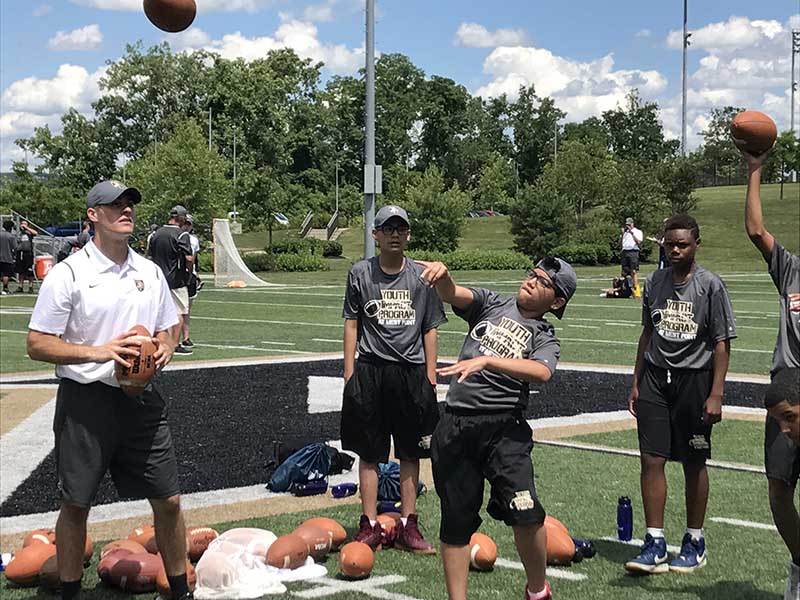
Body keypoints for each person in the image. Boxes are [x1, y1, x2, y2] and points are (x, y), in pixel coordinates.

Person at [25, 180, 191, 600]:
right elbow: (37, 342)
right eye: (113, 205)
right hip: (87, 401)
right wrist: (102, 352)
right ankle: (69, 593)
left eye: (129, 203)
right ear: (93, 215)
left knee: (169, 500)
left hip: (141, 399)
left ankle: (179, 590)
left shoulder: (149, 271)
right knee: (76, 503)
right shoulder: (70, 273)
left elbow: (168, 326)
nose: (125, 210)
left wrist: (166, 346)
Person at [418, 255, 576, 600]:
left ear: (557, 300)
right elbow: (452, 293)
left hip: (504, 429)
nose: (532, 281)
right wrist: (444, 275)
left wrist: (489, 360)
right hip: (456, 424)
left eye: (544, 282)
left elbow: (543, 372)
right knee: (456, 521)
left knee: (527, 512)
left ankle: (537, 591)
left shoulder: (545, 335)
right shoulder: (492, 303)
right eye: (532, 274)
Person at [625, 214, 736, 575]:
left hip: (694, 380)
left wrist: (716, 393)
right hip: (657, 378)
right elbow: (647, 334)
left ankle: (694, 540)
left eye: (682, 244)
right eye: (669, 244)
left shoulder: (710, 286)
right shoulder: (656, 281)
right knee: (651, 459)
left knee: (693, 461)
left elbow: (721, 344)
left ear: (696, 245)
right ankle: (654, 541)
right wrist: (636, 381)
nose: (675, 250)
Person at [341, 204, 446, 553]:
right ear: (376, 234)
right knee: (369, 452)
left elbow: (430, 326)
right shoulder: (360, 273)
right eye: (388, 229)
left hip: (411, 372)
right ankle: (368, 523)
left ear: (408, 234)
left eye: (401, 229)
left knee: (410, 452)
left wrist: (430, 376)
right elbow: (352, 322)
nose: (395, 234)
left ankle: (409, 524)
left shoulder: (423, 276)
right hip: (371, 369)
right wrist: (349, 371)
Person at [741, 147, 800, 600]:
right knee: (779, 489)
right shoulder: (792, 271)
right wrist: (755, 169)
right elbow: (756, 230)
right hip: (786, 394)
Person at [148, 205, 194, 355]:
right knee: (179, 311)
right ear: (180, 218)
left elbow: (149, 256)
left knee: (159, 312)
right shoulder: (182, 235)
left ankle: (158, 342)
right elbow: (188, 257)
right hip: (176, 279)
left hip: (157, 279)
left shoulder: (156, 234)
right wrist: (189, 271)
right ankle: (174, 344)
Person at [182, 214, 201, 348]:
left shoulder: (193, 240)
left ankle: (186, 337)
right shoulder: (177, 237)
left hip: (189, 275)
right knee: (180, 309)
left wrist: (196, 274)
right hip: (182, 275)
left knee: (186, 308)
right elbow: (191, 259)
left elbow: (194, 259)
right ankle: (181, 338)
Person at [621, 217, 644, 298]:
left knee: (633, 271)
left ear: (632, 224)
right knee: (624, 272)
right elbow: (620, 243)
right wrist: (623, 234)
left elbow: (638, 242)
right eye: (626, 225)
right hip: (625, 251)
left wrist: (632, 233)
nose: (628, 226)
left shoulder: (637, 232)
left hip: (633, 251)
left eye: (629, 225)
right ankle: (628, 289)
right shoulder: (625, 233)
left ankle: (636, 290)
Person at [15, 220, 37, 293]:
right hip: (20, 253)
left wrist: (26, 228)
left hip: (28, 253)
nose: (23, 225)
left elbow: (35, 233)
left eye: (25, 224)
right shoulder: (18, 232)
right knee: (21, 271)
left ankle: (30, 286)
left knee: (29, 271)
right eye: (22, 224)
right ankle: (20, 286)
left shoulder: (29, 232)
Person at [0, 220, 18, 295]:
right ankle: (5, 288)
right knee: (6, 274)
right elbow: (15, 247)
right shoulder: (11, 236)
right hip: (7, 257)